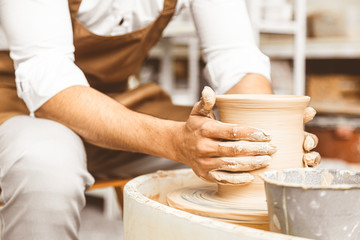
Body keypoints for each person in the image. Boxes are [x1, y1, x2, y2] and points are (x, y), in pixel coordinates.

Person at [0, 0, 319, 239]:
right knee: (45, 165)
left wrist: (266, 140)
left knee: (231, 160)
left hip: (114, 100)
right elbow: (47, 82)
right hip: (18, 103)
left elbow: (236, 58)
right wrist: (176, 142)